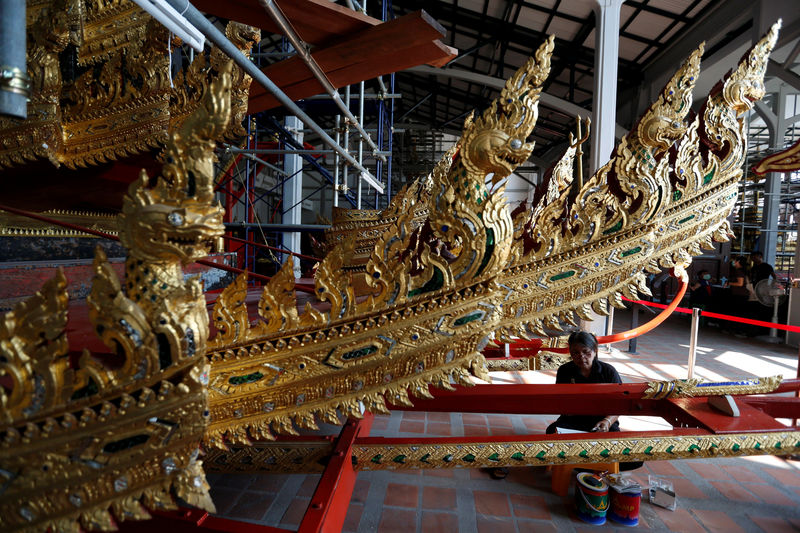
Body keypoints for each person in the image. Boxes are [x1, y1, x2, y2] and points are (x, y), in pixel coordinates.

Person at [545, 331, 621, 434]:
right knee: (552, 431)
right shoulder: (564, 371)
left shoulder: (608, 372)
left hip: (601, 420)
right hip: (574, 419)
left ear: (595, 351)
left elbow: (619, 404)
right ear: (570, 353)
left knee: (614, 439)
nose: (581, 356)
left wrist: (607, 421)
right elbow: (560, 400)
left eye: (586, 352)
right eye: (576, 353)